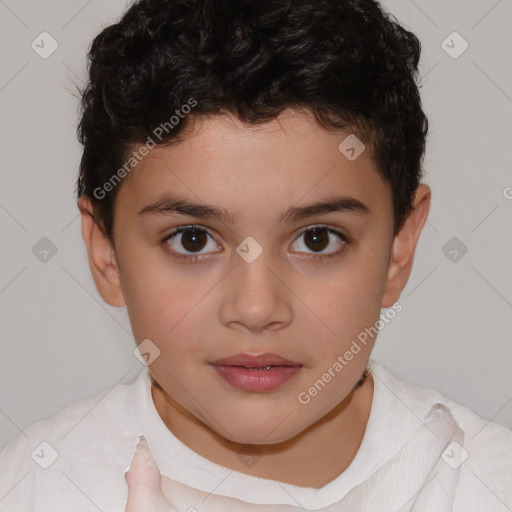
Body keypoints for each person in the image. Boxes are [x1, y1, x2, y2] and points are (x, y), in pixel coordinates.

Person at [1, 0, 511, 510]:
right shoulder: (34, 488)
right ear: (106, 253)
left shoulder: (487, 484)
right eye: (193, 240)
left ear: (399, 248)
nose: (256, 308)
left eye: (317, 239)